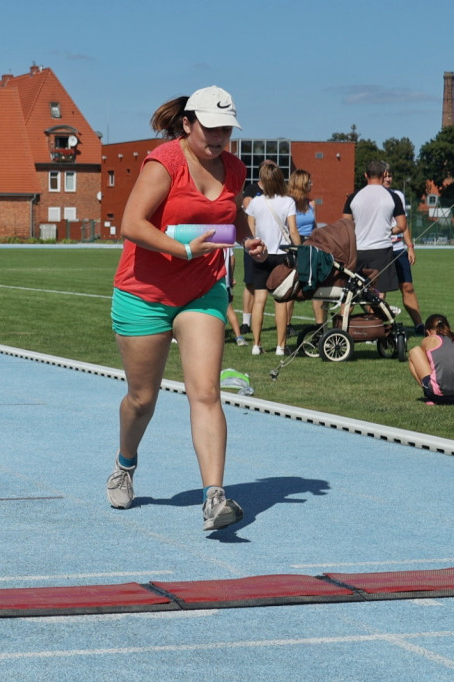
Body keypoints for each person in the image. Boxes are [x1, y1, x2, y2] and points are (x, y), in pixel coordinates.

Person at [107, 86, 267, 532]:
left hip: (202, 291)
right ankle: (125, 463)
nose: (218, 138)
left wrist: (246, 237)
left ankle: (214, 496)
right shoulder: (165, 162)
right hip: (145, 293)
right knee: (142, 400)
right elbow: (131, 223)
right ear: (188, 124)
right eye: (211, 129)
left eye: (226, 131)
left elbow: (230, 218)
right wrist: (181, 249)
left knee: (206, 391)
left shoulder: (234, 168)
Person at [246, 163, 300, 356]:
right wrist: (299, 248)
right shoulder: (288, 201)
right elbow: (292, 230)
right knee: (281, 302)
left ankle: (256, 344)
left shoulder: (255, 202)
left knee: (259, 300)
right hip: (281, 255)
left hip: (261, 254)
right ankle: (280, 346)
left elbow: (250, 231)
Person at [342, 159, 404, 299]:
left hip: (358, 250)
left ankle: (342, 319)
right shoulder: (393, 196)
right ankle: (376, 320)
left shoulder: (353, 197)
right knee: (378, 294)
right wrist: (387, 231)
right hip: (382, 250)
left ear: (365, 175)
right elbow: (402, 226)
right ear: (384, 174)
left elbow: (345, 225)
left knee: (351, 292)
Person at [239, 159, 278, 336]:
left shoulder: (279, 194)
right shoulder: (252, 191)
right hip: (255, 244)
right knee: (250, 284)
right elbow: (249, 213)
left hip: (273, 246)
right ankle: (246, 322)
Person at [383, 169, 424, 334]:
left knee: (407, 286)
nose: (388, 179)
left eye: (390, 175)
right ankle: (377, 328)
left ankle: (419, 325)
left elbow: (403, 223)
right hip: (380, 250)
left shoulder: (398, 195)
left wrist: (410, 247)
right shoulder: (371, 197)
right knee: (379, 291)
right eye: (384, 176)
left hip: (398, 249)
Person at [288, 169, 325, 325]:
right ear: (302, 184)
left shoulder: (311, 203)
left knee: (317, 286)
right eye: (309, 182)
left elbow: (314, 226)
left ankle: (319, 325)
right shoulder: (288, 203)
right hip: (294, 245)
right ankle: (287, 325)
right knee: (292, 287)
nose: (312, 184)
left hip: (310, 245)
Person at [408, 314, 454, 405]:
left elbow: (425, 361)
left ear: (428, 332)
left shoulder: (429, 340)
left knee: (414, 352)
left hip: (438, 395)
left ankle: (429, 395)